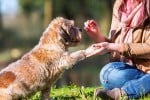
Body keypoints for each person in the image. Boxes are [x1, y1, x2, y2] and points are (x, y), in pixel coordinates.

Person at [84, 0, 150, 99]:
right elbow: (113, 43)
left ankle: (123, 93)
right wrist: (97, 36)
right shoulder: (120, 5)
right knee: (106, 74)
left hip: (147, 69)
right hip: (130, 70)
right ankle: (144, 85)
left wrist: (115, 46)